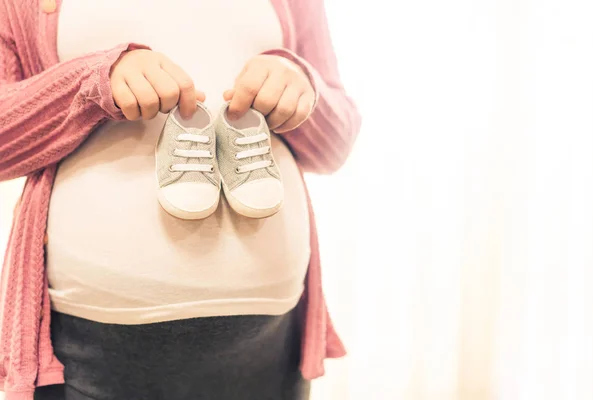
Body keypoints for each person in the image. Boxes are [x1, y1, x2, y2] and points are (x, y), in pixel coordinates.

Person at [0, 0, 361, 398]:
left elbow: (336, 146)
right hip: (90, 342)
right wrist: (91, 82)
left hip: (271, 336)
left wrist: (300, 84)